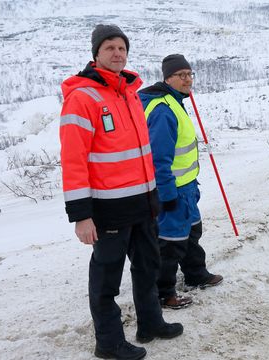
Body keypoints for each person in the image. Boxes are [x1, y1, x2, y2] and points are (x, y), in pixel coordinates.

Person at [59, 24, 183, 359]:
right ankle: (109, 342)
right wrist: (81, 216)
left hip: (143, 203)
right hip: (108, 208)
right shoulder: (82, 98)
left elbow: (141, 153)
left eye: (122, 48)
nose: (117, 53)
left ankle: (150, 323)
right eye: (109, 48)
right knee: (106, 278)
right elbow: (73, 161)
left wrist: (155, 197)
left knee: (148, 266)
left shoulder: (129, 92)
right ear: (96, 54)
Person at [139, 54, 223, 310]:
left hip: (187, 187)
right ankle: (164, 293)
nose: (188, 80)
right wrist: (166, 195)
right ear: (168, 78)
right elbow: (159, 158)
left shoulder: (176, 100)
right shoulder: (163, 110)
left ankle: (196, 275)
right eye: (181, 75)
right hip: (172, 189)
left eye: (190, 74)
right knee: (171, 242)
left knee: (192, 232)